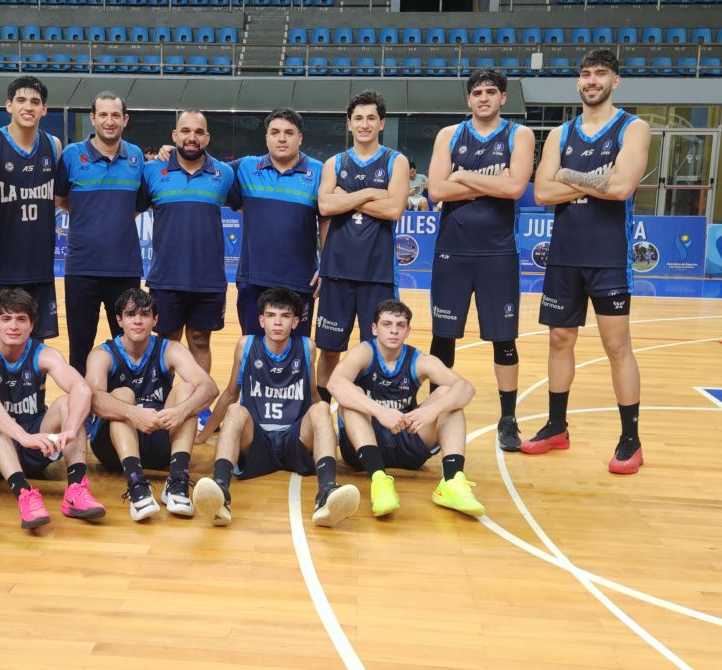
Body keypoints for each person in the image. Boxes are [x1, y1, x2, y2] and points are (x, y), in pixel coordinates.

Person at [524, 49, 651, 474]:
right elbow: (541, 193)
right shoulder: (560, 134)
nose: (592, 80)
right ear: (578, 82)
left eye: (600, 73)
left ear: (616, 81)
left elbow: (621, 189)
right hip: (564, 256)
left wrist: (567, 176)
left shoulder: (633, 128)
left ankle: (630, 439)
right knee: (559, 340)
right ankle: (557, 427)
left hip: (608, 256)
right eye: (585, 74)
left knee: (617, 346)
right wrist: (596, 180)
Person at [427, 68, 536, 452]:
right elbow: (437, 189)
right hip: (452, 251)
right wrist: (491, 184)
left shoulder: (520, 135)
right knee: (443, 338)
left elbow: (515, 187)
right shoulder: (449, 135)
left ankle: (508, 419)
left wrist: (462, 177)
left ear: (503, 97)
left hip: (497, 253)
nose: (484, 98)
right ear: (469, 99)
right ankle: (435, 412)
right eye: (477, 92)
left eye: (491, 92)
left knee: (504, 339)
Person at [194, 288, 360, 527]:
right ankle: (220, 492)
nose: (278, 322)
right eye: (271, 315)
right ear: (262, 320)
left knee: (322, 407)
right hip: (257, 440)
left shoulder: (307, 347)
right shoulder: (246, 345)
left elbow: (312, 393)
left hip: (295, 439)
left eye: (285, 316)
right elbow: (230, 393)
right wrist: (204, 435)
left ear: (295, 322)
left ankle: (327, 492)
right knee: (235, 411)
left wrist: (326, 432)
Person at [329, 299, 485, 518]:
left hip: (406, 439)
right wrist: (380, 412)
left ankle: (452, 482)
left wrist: (432, 410)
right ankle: (379, 481)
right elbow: (335, 383)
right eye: (387, 324)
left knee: (446, 396)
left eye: (400, 325)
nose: (394, 331)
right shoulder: (364, 352)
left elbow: (466, 388)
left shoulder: (419, 360)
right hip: (364, 447)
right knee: (353, 397)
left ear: (408, 330)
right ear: (374, 328)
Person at [0, 288, 105, 529]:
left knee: (67, 403)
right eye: (6, 319)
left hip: (34, 446)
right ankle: (24, 493)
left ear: (31, 325)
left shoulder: (44, 354)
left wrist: (71, 429)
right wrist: (22, 436)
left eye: (21, 319)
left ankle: (76, 489)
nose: (13, 326)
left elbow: (81, 388)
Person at [85, 288, 219, 521]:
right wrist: (133, 414)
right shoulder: (102, 354)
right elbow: (93, 398)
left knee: (188, 391)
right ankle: (136, 484)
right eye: (131, 315)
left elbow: (209, 387)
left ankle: (177, 481)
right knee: (123, 393)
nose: (138, 321)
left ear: (155, 319)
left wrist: (181, 411)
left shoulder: (170, 349)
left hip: (158, 442)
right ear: (119, 320)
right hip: (112, 448)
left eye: (145, 314)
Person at [315, 90, 408, 395]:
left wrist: (347, 198)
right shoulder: (334, 162)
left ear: (382, 123)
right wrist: (370, 193)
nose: (364, 124)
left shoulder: (396, 161)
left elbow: (394, 210)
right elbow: (325, 206)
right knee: (329, 349)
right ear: (349, 123)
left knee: (374, 348)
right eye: (358, 118)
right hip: (337, 273)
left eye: (371, 118)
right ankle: (322, 412)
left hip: (378, 274)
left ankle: (366, 412)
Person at [138, 109, 239, 375]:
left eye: (198, 132)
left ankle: (199, 398)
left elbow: (246, 208)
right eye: (185, 131)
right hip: (166, 278)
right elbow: (130, 212)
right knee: (167, 343)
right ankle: (165, 396)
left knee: (200, 340)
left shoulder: (224, 173)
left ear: (207, 137)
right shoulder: (152, 171)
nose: (192, 137)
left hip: (209, 279)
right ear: (174, 135)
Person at [54, 91, 146, 374]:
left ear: (125, 120)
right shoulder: (72, 155)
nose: (109, 121)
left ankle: (123, 399)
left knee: (129, 346)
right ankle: (82, 402)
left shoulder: (136, 156)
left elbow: (136, 205)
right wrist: (88, 213)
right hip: (82, 269)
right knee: (80, 348)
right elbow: (60, 200)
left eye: (115, 115)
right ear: (92, 118)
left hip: (125, 268)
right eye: (103, 115)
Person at [230, 108, 324, 341]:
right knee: (252, 346)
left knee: (297, 350)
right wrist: (172, 152)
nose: (282, 138)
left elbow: (328, 220)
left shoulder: (319, 171)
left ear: (300, 138)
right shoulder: (246, 167)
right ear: (266, 138)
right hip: (253, 279)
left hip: (300, 280)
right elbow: (204, 168)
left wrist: (328, 264)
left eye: (289, 133)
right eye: (275, 132)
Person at [0, 76, 62, 341]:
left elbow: (61, 196)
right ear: (9, 105)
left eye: (35, 102)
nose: (28, 107)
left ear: (44, 109)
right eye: (21, 100)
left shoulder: (53, 145)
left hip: (40, 264)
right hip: (1, 266)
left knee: (36, 343)